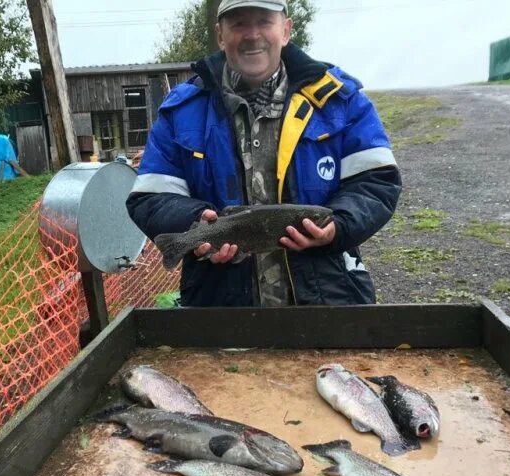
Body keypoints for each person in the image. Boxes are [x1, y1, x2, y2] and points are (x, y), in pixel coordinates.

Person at [126, 0, 401, 307]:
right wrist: (195, 223)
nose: (252, 34)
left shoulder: (340, 100)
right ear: (220, 35)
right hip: (218, 308)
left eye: (264, 22)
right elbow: (150, 199)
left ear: (286, 30)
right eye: (239, 24)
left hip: (330, 302)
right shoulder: (181, 111)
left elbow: (376, 183)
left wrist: (338, 225)